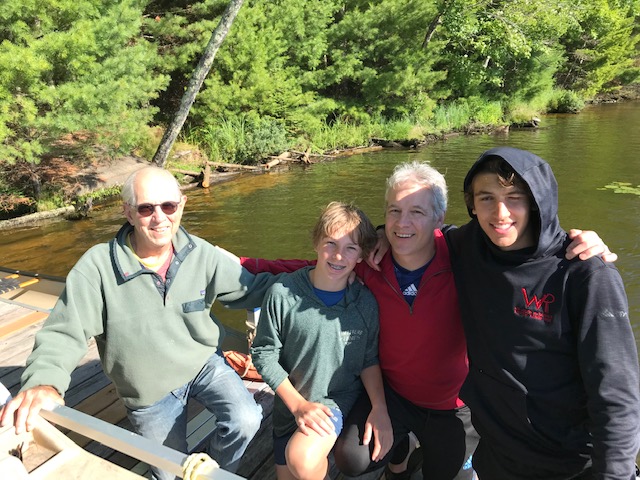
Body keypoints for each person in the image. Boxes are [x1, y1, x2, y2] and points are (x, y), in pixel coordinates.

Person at [241, 161, 614, 480]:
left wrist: (572, 244)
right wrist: (241, 265)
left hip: (454, 404)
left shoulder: (468, 258)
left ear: (438, 217)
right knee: (352, 458)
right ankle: (399, 465)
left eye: (416, 212)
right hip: (393, 394)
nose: (402, 224)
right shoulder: (369, 261)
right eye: (394, 211)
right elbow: (311, 268)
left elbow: (524, 251)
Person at [0, 166, 281, 480]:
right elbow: (66, 330)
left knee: (246, 418)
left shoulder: (200, 253)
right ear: (128, 213)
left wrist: (315, 283)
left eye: (169, 206)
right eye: (146, 208)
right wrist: (44, 382)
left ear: (182, 205)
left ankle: (215, 473)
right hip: (147, 391)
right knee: (168, 472)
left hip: (202, 363)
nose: (159, 217)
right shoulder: (97, 266)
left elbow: (251, 288)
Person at [441, 146, 640, 479]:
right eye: (486, 198)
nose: (500, 213)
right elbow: (413, 235)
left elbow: (615, 393)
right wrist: (380, 237)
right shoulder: (467, 247)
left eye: (514, 197)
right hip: (499, 455)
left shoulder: (584, 273)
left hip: (573, 464)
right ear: (471, 205)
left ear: (537, 201)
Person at [250, 201, 393, 480]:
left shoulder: (364, 304)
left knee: (300, 459)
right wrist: (298, 406)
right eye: (330, 243)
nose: (338, 256)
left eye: (350, 248)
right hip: (290, 406)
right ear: (316, 242)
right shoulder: (283, 293)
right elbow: (264, 353)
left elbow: (368, 360)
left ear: (361, 256)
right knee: (292, 472)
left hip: (336, 400)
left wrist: (379, 407)